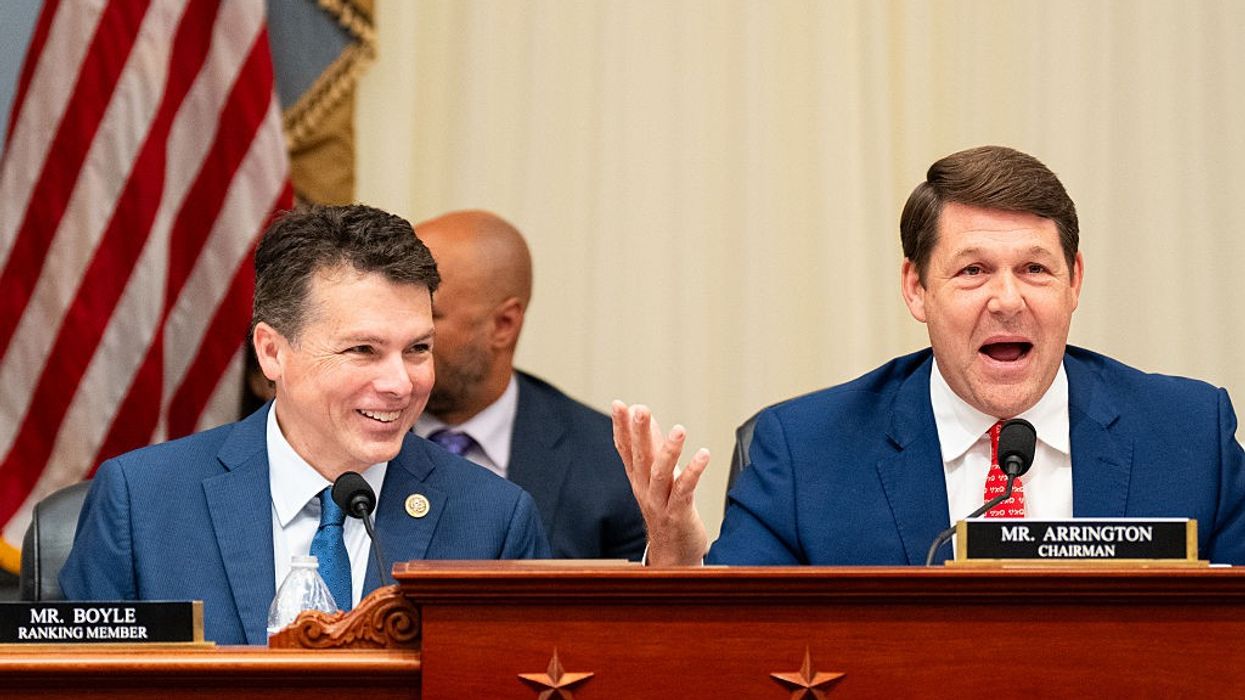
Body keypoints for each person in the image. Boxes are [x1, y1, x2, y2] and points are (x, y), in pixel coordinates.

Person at [613, 145, 1245, 567]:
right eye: (973, 270)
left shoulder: (1190, 435)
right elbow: (734, 648)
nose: (1007, 300)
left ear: (1074, 280)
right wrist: (680, 570)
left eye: (1035, 269)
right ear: (916, 288)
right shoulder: (806, 454)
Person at [61, 205, 550, 644]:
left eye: (418, 349)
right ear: (273, 352)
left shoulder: (493, 521)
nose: (401, 383)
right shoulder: (144, 502)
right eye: (364, 350)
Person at [413, 210, 645, 560]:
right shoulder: (350, 433)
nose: (405, 334)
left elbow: (640, 611)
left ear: (503, 324)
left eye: (428, 315)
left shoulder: (610, 463)